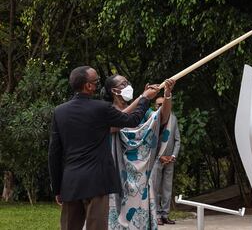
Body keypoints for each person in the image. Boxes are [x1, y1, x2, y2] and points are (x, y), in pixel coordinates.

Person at [48, 66, 159, 230]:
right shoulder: (101, 108)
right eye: (96, 81)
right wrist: (144, 98)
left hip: (71, 183)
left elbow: (54, 153)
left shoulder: (60, 111)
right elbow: (132, 120)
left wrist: (57, 188)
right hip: (97, 182)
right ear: (88, 86)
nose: (98, 84)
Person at [102, 74, 175, 230]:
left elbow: (162, 118)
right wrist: (143, 98)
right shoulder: (107, 111)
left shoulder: (142, 111)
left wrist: (167, 94)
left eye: (128, 82)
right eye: (124, 83)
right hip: (116, 172)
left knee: (138, 215)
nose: (128, 85)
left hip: (140, 175)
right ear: (114, 90)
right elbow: (118, 121)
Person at [151, 96, 181, 225]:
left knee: (167, 189)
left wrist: (173, 156)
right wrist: (159, 156)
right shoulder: (152, 119)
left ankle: (165, 214)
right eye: (158, 105)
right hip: (156, 159)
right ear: (154, 106)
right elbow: (149, 141)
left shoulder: (173, 119)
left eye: (163, 104)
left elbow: (177, 140)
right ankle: (156, 215)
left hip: (170, 160)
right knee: (155, 188)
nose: (160, 107)